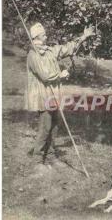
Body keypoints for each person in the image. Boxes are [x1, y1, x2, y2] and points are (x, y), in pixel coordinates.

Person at [26, 22, 95, 161]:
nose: (46, 36)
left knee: (55, 125)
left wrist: (83, 37)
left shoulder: (49, 50)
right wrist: (60, 75)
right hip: (43, 96)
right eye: (44, 34)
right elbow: (45, 75)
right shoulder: (33, 55)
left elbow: (66, 48)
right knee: (45, 126)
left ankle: (50, 153)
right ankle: (38, 157)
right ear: (37, 37)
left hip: (53, 95)